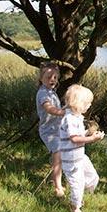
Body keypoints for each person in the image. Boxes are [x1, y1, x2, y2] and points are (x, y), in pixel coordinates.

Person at [59, 84, 105, 212]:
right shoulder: (70, 119)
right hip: (71, 159)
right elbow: (74, 139)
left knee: (92, 177)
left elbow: (77, 134)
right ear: (78, 103)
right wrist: (92, 138)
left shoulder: (77, 116)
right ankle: (75, 207)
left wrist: (89, 133)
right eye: (87, 103)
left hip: (79, 156)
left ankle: (77, 196)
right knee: (77, 183)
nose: (89, 105)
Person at [36, 62, 65, 197]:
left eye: (55, 77)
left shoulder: (52, 92)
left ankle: (55, 179)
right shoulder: (43, 93)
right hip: (48, 131)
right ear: (41, 79)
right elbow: (48, 108)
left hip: (57, 130)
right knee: (58, 154)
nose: (52, 80)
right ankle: (58, 187)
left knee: (61, 154)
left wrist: (67, 109)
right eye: (48, 77)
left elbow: (57, 109)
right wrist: (62, 112)